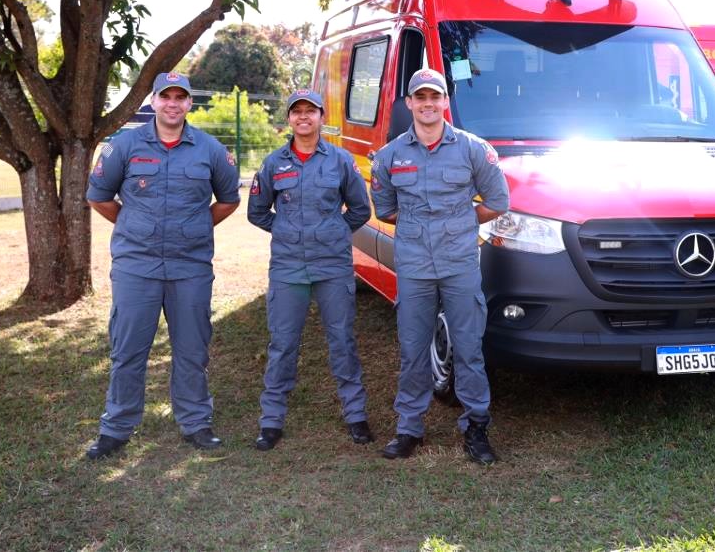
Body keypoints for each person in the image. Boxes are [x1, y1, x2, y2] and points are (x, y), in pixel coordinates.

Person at [83, 71, 240, 459]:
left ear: (189, 103)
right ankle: (117, 427)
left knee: (192, 348)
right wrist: (134, 225)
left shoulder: (210, 150)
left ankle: (196, 422)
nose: (173, 104)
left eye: (180, 97)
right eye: (165, 96)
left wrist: (196, 227)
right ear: (153, 101)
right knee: (128, 348)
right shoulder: (124, 146)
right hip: (137, 265)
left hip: (190, 267)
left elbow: (227, 200)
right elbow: (99, 196)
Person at [370, 67, 509, 464]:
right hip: (413, 265)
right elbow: (386, 210)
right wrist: (424, 227)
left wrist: (463, 222)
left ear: (445, 102)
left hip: (460, 264)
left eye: (435, 97)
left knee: (468, 348)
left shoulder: (472, 149)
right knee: (413, 350)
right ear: (410, 103)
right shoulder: (391, 156)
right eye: (421, 98)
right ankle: (409, 428)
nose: (428, 104)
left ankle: (476, 427)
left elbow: (497, 201)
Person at [247, 89, 373, 451]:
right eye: (296, 112)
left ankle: (356, 415)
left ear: (321, 116)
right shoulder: (273, 163)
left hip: (332, 265)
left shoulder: (341, 161)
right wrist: (287, 231)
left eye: (311, 111)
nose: (304, 117)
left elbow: (360, 210)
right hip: (288, 268)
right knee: (283, 344)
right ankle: (271, 420)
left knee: (342, 341)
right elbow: (257, 212)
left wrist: (331, 232)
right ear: (289, 119)